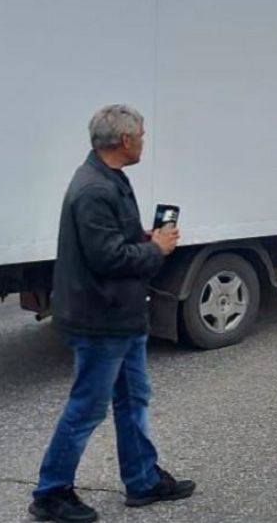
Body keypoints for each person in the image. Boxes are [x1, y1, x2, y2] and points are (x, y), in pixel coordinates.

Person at [30, 105, 195, 523]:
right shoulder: (94, 189)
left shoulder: (111, 179)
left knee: (133, 399)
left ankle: (142, 481)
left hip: (123, 316)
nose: (143, 141)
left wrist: (142, 236)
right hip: (100, 319)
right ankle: (50, 494)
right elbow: (106, 258)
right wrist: (155, 248)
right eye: (141, 134)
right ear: (124, 141)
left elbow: (110, 241)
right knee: (87, 407)